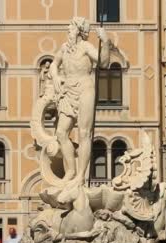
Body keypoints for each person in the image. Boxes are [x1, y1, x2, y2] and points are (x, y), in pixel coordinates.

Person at [49, 17, 110, 186]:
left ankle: (81, 176)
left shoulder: (86, 47)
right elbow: (54, 63)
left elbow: (104, 62)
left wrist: (105, 41)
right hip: (68, 91)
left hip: (85, 89)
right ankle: (71, 170)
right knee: (61, 133)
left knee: (84, 134)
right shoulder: (64, 48)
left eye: (71, 26)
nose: (68, 28)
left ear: (79, 30)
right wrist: (55, 75)